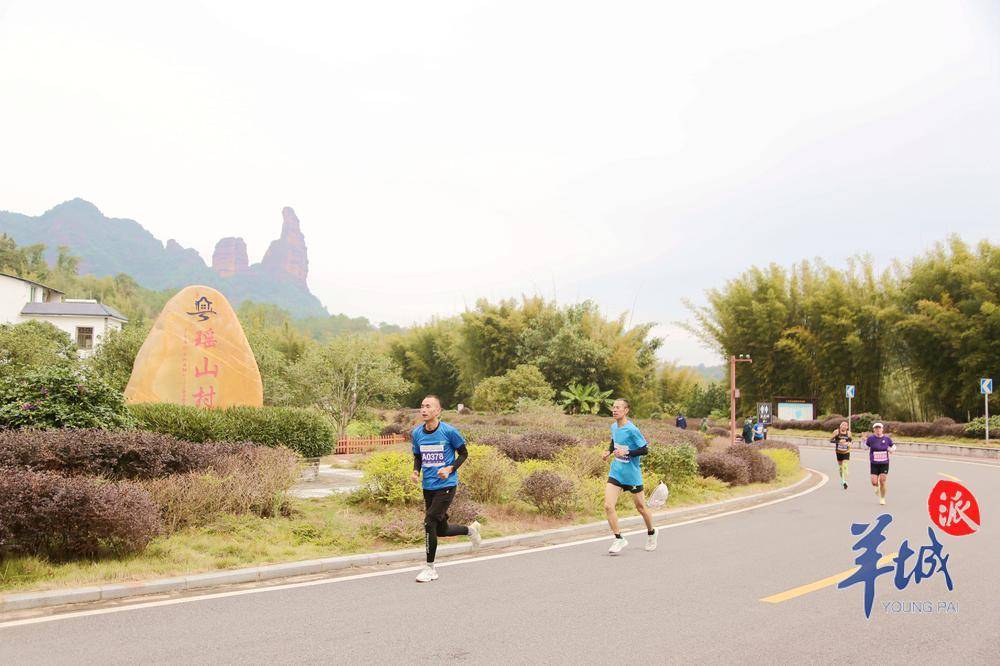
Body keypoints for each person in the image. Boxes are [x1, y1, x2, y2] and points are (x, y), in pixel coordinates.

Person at [411, 395, 481, 582]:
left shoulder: (449, 432)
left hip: (447, 486)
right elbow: (418, 456)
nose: (424, 409)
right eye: (422, 406)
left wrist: (450, 468)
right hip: (428, 486)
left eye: (428, 406)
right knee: (440, 529)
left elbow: (464, 453)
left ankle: (430, 568)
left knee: (428, 523)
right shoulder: (417, 433)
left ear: (438, 411)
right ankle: (470, 530)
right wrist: (416, 472)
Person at [602, 399, 657, 554]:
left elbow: (644, 450)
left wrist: (627, 452)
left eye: (618, 408)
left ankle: (652, 533)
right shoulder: (614, 426)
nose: (614, 410)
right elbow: (614, 441)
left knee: (641, 507)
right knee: (608, 505)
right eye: (613, 407)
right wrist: (609, 452)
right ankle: (619, 538)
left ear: (626, 410)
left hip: (632, 475)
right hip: (616, 472)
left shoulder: (632, 429)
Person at [864, 422, 896, 506]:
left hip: (884, 463)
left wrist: (891, 450)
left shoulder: (887, 439)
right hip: (874, 463)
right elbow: (865, 447)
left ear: (882, 429)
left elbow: (893, 446)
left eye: (879, 428)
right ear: (874, 430)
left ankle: (882, 498)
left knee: (882, 481)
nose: (878, 430)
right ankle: (877, 488)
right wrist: (864, 442)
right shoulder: (871, 439)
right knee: (874, 482)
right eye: (876, 428)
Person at [830, 420, 852, 489]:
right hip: (839, 452)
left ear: (847, 427)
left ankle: (845, 473)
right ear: (840, 426)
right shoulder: (836, 432)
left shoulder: (848, 433)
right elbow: (831, 440)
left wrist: (849, 443)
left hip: (846, 451)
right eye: (843, 425)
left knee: (844, 465)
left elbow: (851, 440)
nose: (844, 427)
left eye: (846, 425)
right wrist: (838, 441)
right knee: (840, 468)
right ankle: (843, 481)